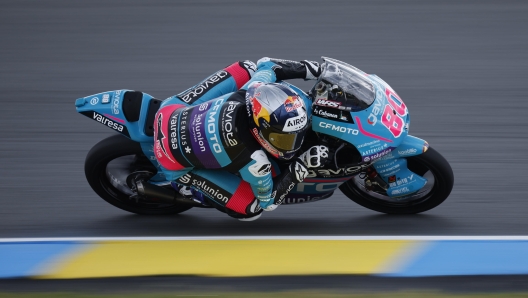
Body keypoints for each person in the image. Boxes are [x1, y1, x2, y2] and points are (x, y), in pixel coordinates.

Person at [153, 58, 330, 220]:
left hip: (169, 112)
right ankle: (188, 188)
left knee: (247, 68)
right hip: (171, 160)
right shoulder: (256, 162)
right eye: (283, 139)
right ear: (260, 128)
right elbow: (268, 202)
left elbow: (267, 65)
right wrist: (302, 165)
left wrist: (314, 70)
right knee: (252, 209)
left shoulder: (253, 89)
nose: (293, 145)